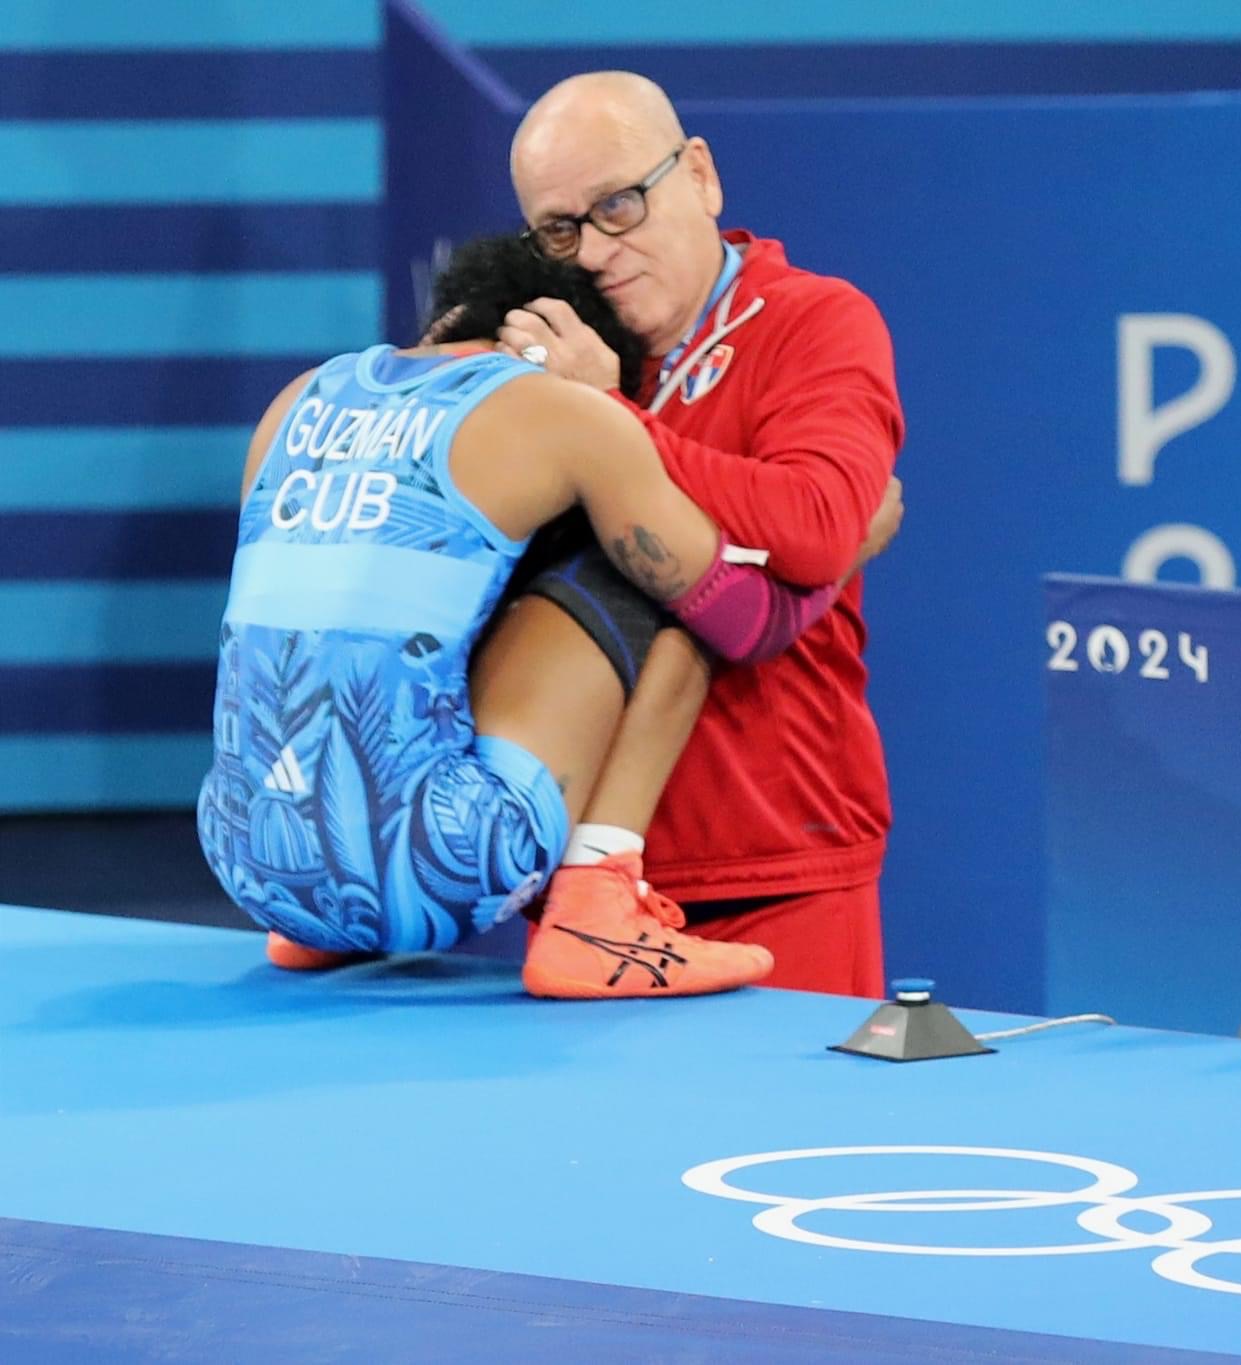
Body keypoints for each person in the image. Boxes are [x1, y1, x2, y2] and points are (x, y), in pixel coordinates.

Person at [195, 234, 896, 999]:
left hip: (251, 862)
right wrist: (850, 547)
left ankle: (323, 919)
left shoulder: (297, 399)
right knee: (648, 565)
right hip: (431, 871)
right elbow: (741, 618)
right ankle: (597, 904)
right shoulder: (562, 410)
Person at [496, 71, 904, 996]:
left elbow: (813, 526)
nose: (595, 252)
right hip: (578, 897)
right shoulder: (542, 351)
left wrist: (601, 422)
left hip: (780, 873)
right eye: (562, 230)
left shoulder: (816, 321)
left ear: (702, 177)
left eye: (620, 205)